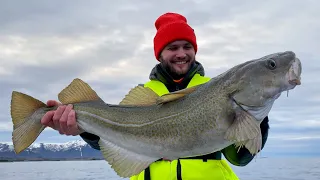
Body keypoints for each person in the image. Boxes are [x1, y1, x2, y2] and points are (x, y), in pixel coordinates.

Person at [41, 12, 270, 180]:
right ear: (160, 53)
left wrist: (256, 117)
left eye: (186, 46)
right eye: (172, 48)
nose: (181, 54)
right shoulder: (146, 94)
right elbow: (118, 140)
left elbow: (240, 158)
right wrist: (83, 128)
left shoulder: (215, 90)